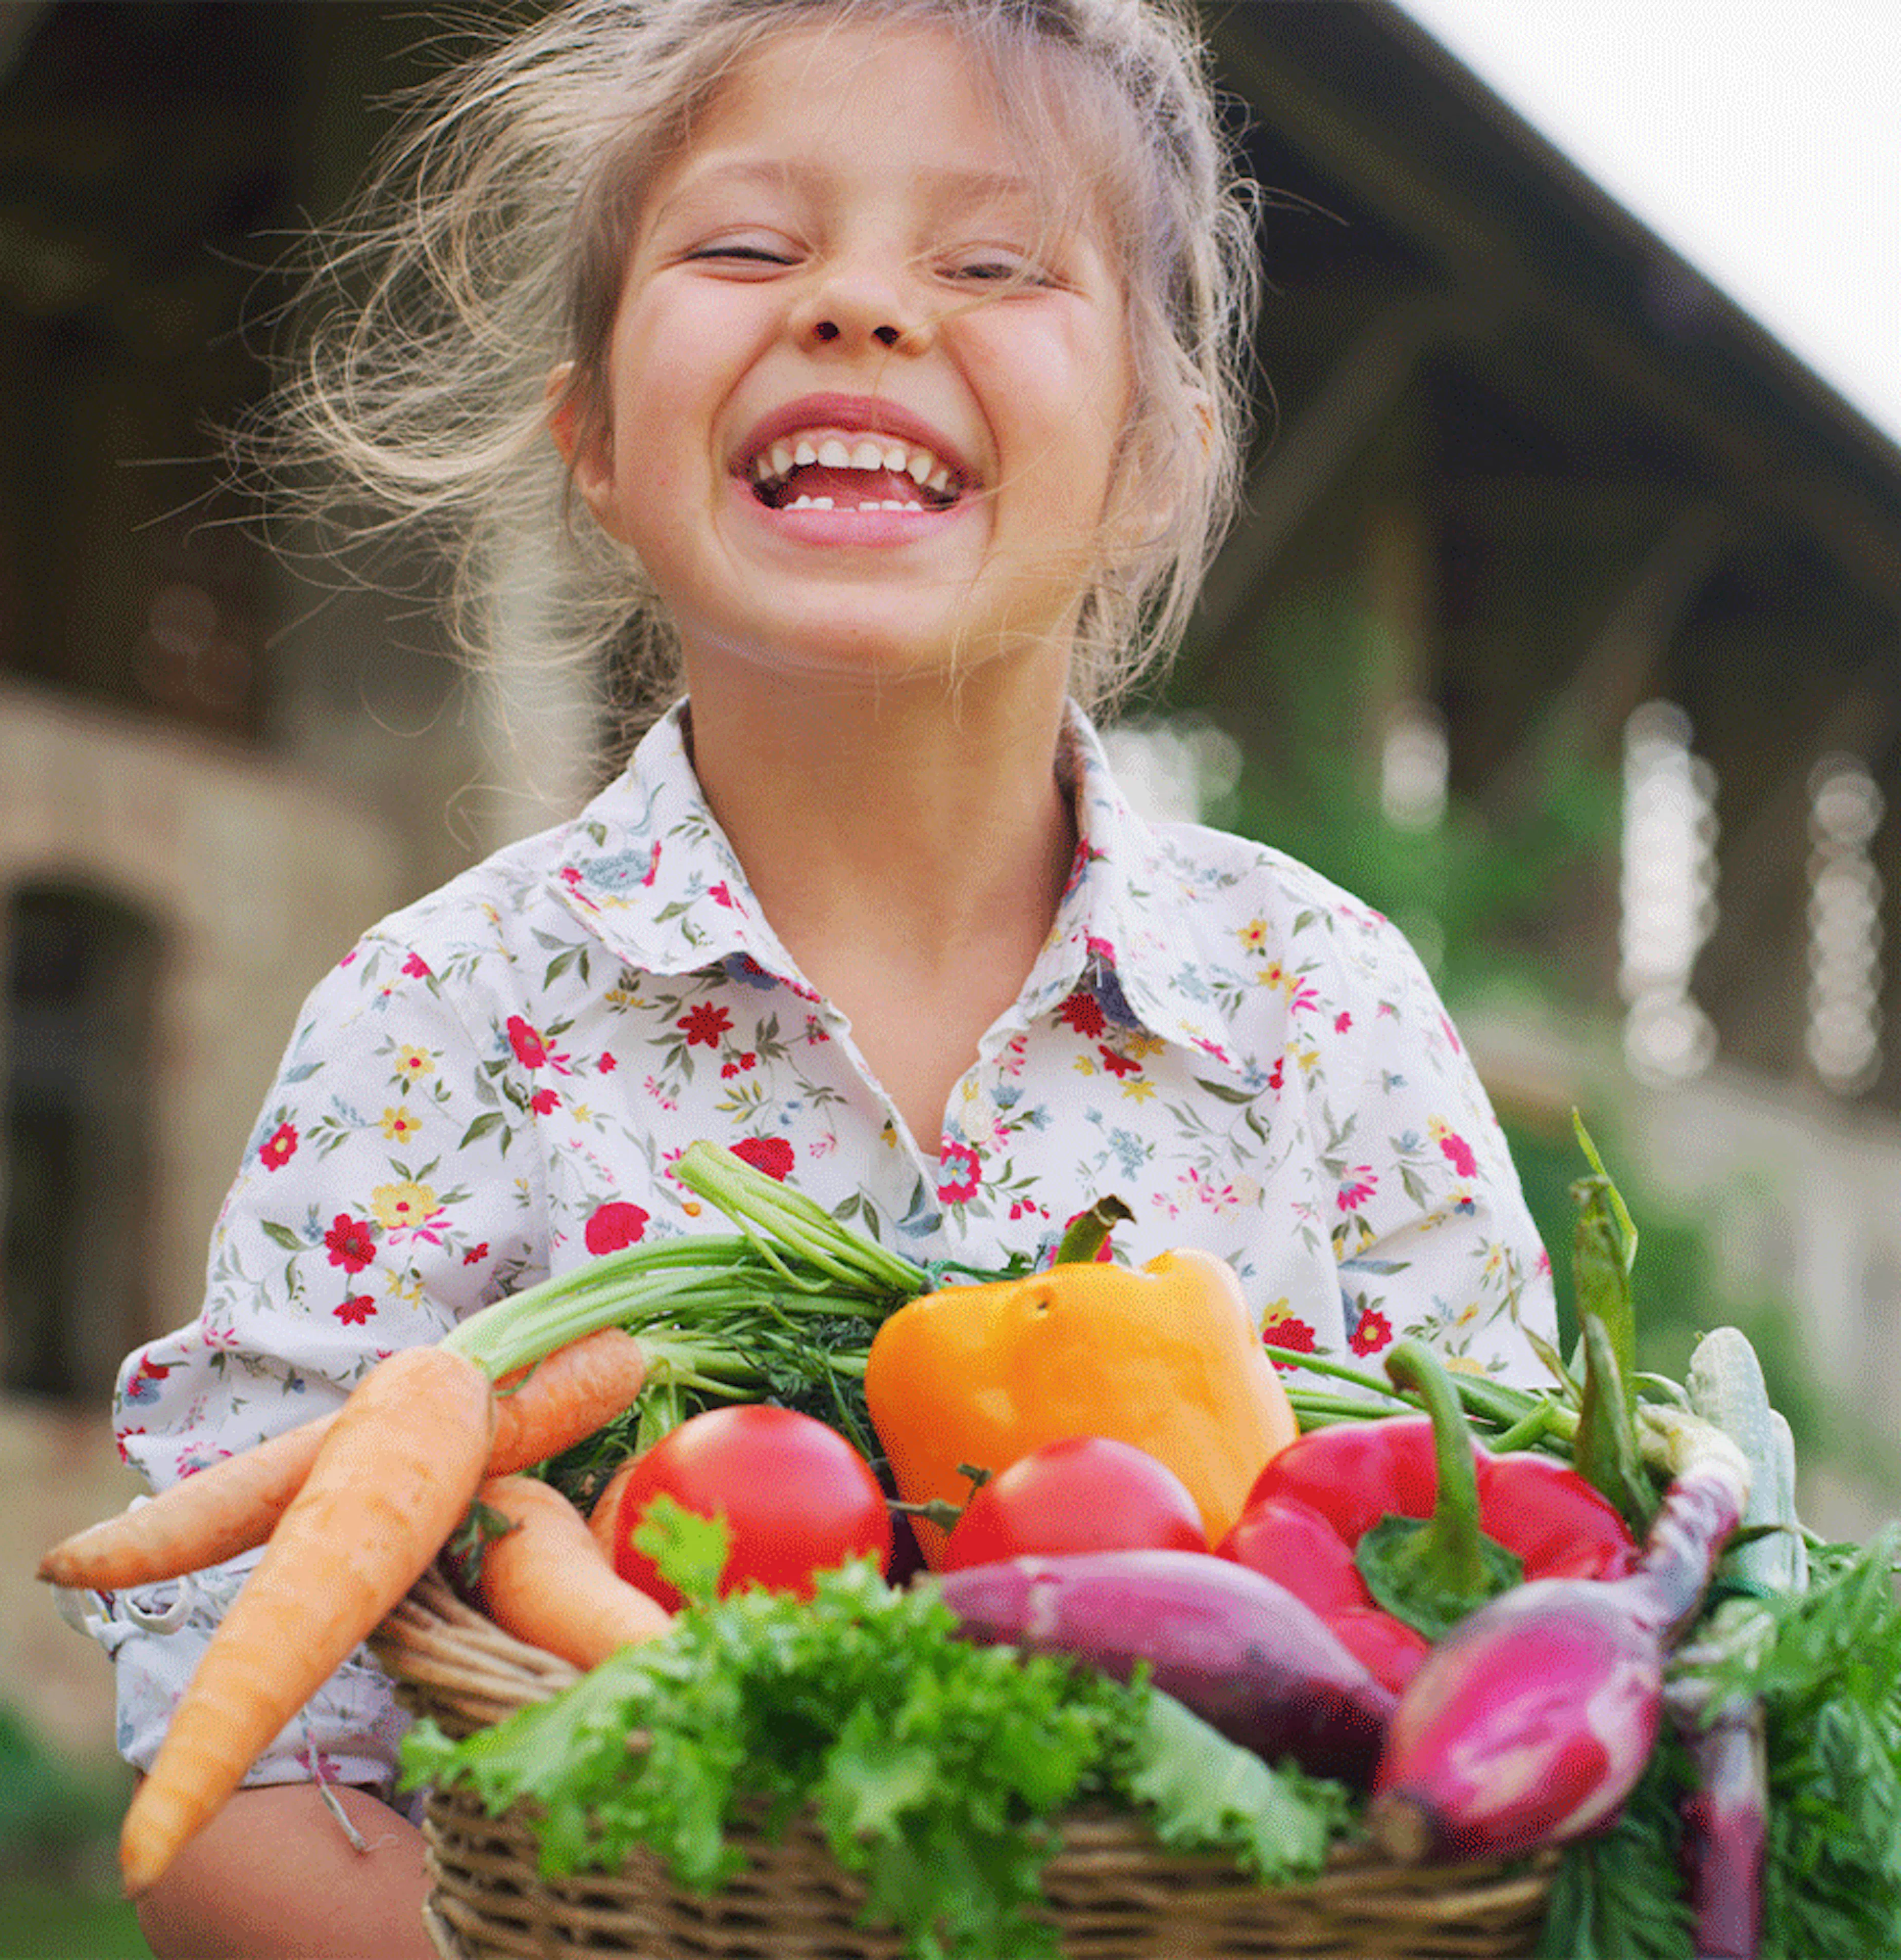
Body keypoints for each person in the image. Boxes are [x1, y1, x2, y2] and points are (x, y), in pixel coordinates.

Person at [82, 1, 1559, 1952]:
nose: (860, 307)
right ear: (595, 437)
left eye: (993, 262)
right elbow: (239, 1773)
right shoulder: (436, 1019)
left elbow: (1536, 1632)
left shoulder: (1325, 1013)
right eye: (749, 248)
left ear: (1155, 459)